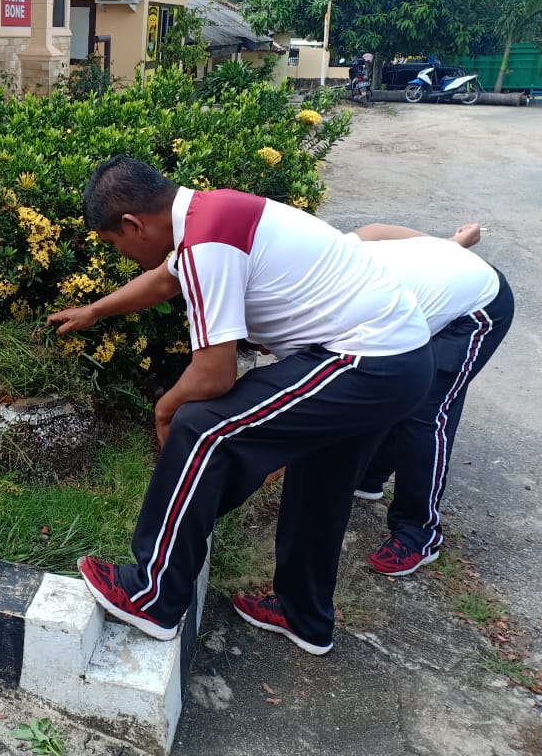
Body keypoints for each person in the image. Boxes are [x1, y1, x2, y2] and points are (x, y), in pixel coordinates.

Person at [46, 156, 434, 655]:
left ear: (132, 224)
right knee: (321, 479)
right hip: (400, 356)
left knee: (200, 426)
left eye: (113, 242)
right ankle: (304, 617)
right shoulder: (209, 214)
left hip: (368, 358)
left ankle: (154, 593)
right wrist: (95, 309)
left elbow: (214, 374)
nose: (120, 252)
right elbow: (167, 280)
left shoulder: (206, 242)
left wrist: (164, 411)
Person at [350, 222, 514, 575]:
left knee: (426, 412)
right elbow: (373, 230)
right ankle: (369, 475)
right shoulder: (329, 257)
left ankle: (419, 533)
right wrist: (449, 245)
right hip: (438, 290)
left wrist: (446, 248)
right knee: (389, 389)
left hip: (478, 307)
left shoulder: (340, 297)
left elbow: (373, 230)